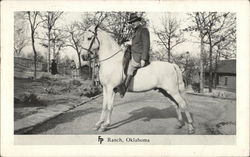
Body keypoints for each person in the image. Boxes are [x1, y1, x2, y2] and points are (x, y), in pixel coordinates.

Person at [119, 13, 150, 98]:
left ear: (139, 21)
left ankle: (123, 90)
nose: (133, 24)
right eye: (131, 22)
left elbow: (146, 45)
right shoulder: (135, 31)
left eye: (134, 22)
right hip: (133, 54)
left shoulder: (143, 30)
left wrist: (144, 58)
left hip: (138, 56)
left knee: (131, 67)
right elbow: (135, 43)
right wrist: (127, 44)